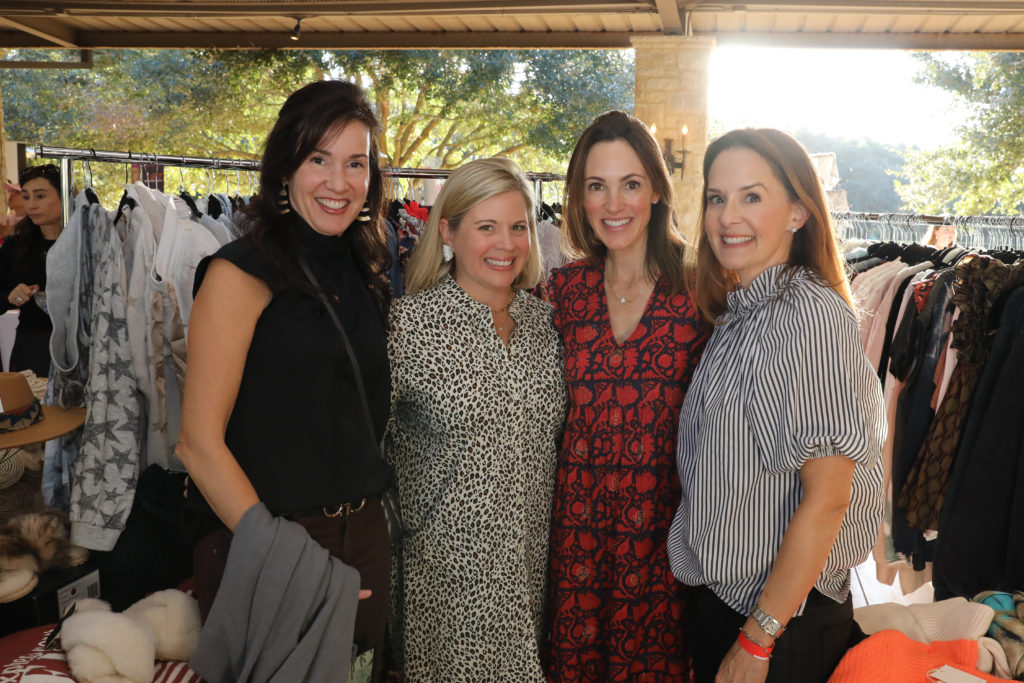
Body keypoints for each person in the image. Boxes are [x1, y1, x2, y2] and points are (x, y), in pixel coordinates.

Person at [177, 80, 393, 682]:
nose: (338, 181)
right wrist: (287, 558)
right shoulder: (239, 273)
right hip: (270, 542)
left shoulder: (363, 269)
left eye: (356, 163)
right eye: (318, 159)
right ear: (285, 167)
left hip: (364, 539)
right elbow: (196, 441)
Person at [666, 128, 886, 683]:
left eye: (752, 196)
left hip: (779, 628)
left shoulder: (806, 315)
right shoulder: (745, 311)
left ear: (797, 213)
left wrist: (759, 638)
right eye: (717, 198)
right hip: (733, 609)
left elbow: (831, 496)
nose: (727, 216)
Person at [386, 157, 567, 681]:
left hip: (530, 581)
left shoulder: (546, 325)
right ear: (448, 230)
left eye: (518, 227)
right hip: (444, 591)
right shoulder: (408, 328)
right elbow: (369, 455)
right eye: (486, 227)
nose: (505, 244)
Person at [546, 110, 709, 681]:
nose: (614, 204)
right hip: (576, 544)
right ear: (580, 196)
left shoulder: (699, 292)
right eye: (597, 186)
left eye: (630, 184)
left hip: (663, 547)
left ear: (657, 191)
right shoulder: (560, 293)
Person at [0, 164, 63, 376]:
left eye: (41, 196)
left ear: (64, 195)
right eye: (26, 197)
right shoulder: (16, 246)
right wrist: (10, 296)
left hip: (79, 344)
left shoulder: (86, 244)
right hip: (32, 346)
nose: (32, 205)